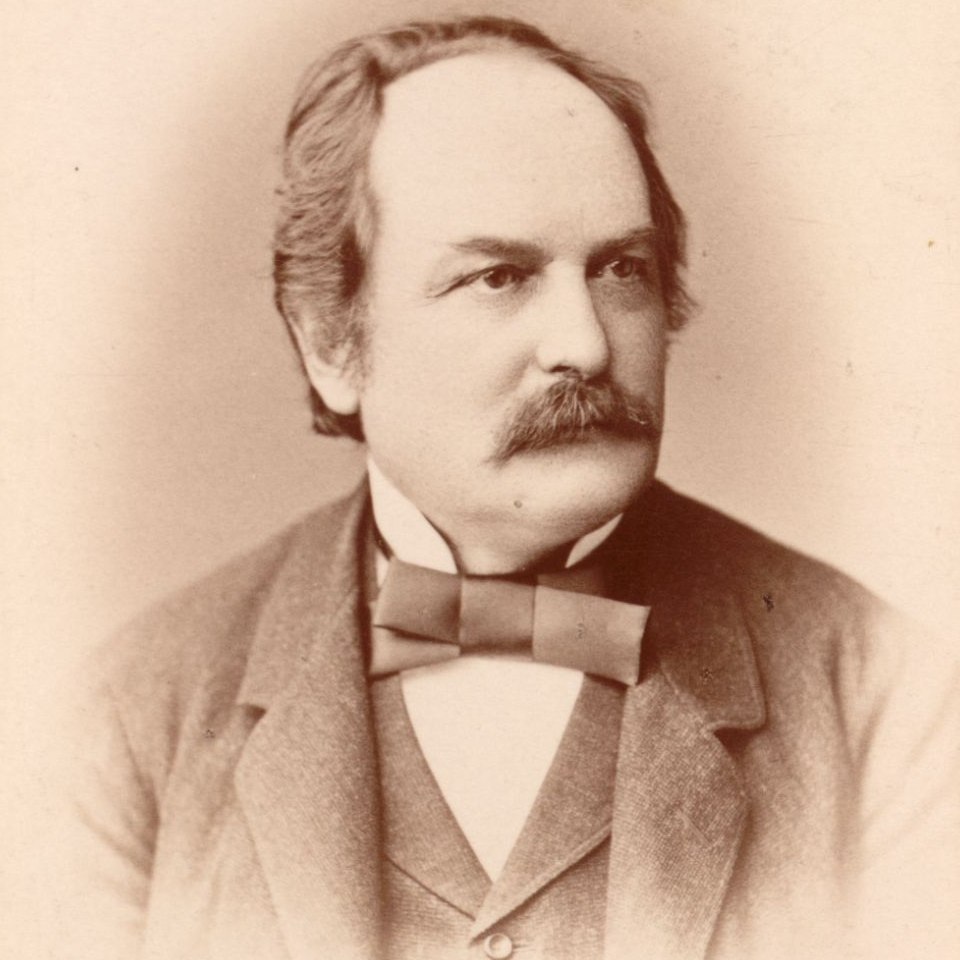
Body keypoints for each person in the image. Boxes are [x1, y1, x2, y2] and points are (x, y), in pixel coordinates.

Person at [66, 14, 958, 960]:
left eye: (622, 270)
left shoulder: (887, 701)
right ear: (330, 340)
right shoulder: (128, 725)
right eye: (498, 277)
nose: (586, 344)